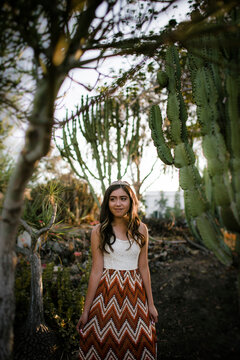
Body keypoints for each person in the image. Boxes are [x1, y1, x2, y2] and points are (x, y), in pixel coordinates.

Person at [76, 180, 158, 359]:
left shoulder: (141, 229)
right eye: (113, 199)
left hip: (135, 295)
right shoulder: (99, 231)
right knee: (103, 342)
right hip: (106, 294)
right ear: (107, 202)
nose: (118, 203)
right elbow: (96, 270)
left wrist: (150, 304)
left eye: (123, 198)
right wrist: (86, 310)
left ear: (131, 201)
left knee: (139, 341)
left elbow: (144, 267)